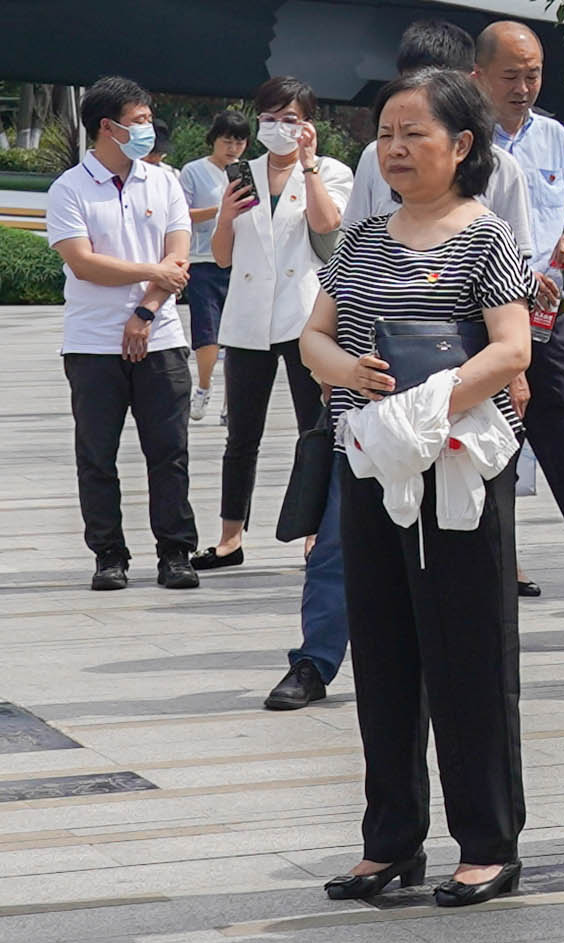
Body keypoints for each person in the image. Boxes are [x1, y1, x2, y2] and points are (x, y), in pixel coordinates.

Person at [344, 19, 564, 647]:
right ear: (476, 77)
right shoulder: (389, 159)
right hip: (440, 348)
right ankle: (355, 633)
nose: (524, 87)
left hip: (535, 333)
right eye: (511, 75)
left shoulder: (546, 142)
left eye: (534, 74)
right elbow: (356, 262)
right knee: (452, 468)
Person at [303, 66, 543, 905]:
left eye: (415, 133)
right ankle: (391, 840)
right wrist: (347, 371)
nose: (396, 148)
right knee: (385, 649)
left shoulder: (487, 238)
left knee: (470, 654)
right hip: (370, 464)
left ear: (462, 144)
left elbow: (512, 350)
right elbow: (316, 338)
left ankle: (488, 840)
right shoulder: (364, 238)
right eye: (387, 133)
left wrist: (430, 404)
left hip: (455, 470)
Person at [43, 79, 203, 591]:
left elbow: (178, 260)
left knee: (169, 451)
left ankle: (175, 552)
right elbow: (84, 263)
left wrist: (146, 312)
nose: (147, 127)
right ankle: (108, 554)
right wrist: (152, 274)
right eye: (138, 119)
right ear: (107, 127)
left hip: (160, 339)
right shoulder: (69, 188)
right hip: (92, 344)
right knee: (96, 455)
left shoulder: (163, 181)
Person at [206, 90, 342, 586]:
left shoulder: (331, 172)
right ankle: (230, 536)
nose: (276, 126)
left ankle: (313, 532)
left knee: (314, 429)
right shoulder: (243, 173)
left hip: (304, 315)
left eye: (288, 118)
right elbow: (222, 257)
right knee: (241, 433)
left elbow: (329, 230)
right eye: (268, 117)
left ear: (308, 124)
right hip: (246, 318)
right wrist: (224, 215)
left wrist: (308, 166)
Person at [178, 112, 252, 415]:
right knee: (207, 330)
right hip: (203, 260)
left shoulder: (247, 172)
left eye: (239, 141)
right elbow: (182, 214)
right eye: (227, 141)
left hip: (240, 262)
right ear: (214, 140)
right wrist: (221, 210)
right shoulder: (193, 171)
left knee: (237, 335)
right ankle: (204, 385)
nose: (233, 148)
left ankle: (230, 402)